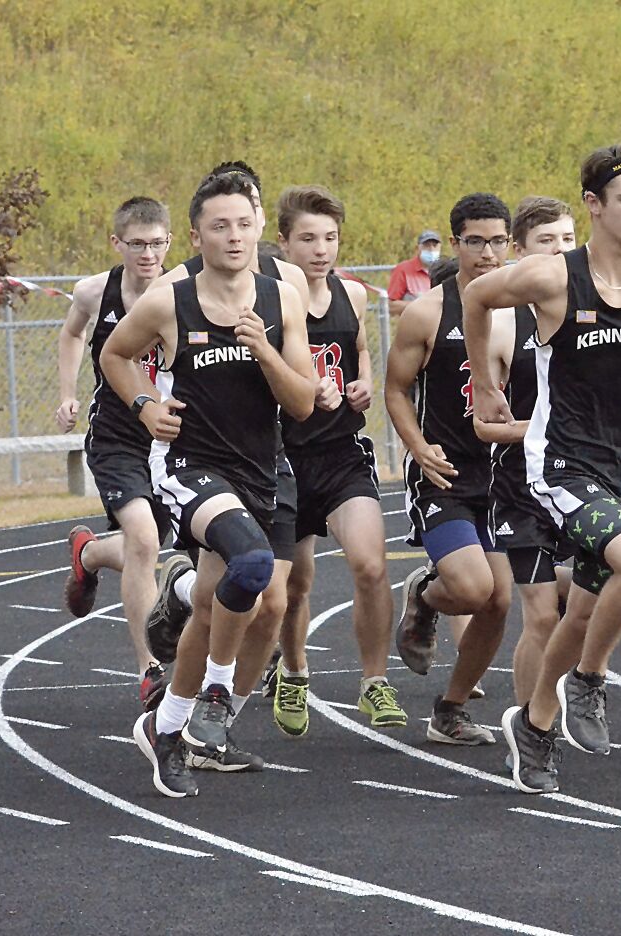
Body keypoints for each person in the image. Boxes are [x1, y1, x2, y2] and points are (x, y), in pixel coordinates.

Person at [466, 141, 621, 793]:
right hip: (563, 460)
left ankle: (537, 725)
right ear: (594, 206)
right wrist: (485, 389)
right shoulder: (553, 276)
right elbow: (479, 295)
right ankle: (590, 680)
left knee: (584, 609)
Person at [103, 169, 317, 798]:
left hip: (261, 468)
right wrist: (145, 405)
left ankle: (169, 728)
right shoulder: (171, 301)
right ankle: (218, 689)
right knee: (250, 566)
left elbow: (302, 403)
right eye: (219, 226)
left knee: (245, 603)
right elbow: (115, 355)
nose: (234, 236)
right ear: (195, 236)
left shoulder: (283, 301)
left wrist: (265, 350)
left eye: (244, 225)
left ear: (258, 232)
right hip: (190, 465)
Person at [268, 184, 404, 736]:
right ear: (282, 242)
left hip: (343, 452)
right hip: (284, 456)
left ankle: (375, 683)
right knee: (294, 585)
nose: (321, 249)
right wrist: (303, 390)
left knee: (371, 565)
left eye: (329, 238)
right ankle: (295, 672)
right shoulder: (269, 298)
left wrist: (364, 383)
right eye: (307, 239)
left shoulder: (353, 295)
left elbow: (361, 348)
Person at [386, 192, 518, 747]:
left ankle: (451, 708)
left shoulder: (525, 306)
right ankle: (425, 594)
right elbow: (395, 390)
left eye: (496, 242)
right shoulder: (428, 312)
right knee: (470, 588)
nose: (486, 253)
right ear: (455, 242)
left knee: (500, 600)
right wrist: (417, 448)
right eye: (474, 241)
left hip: (506, 473)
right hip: (446, 472)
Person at [56, 196, 174, 710]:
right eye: (136, 245)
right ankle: (150, 669)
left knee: (150, 551)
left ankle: (89, 553)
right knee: (146, 544)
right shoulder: (94, 291)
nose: (147, 254)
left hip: (174, 437)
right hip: (116, 437)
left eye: (156, 244)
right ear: (117, 244)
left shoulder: (186, 291)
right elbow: (72, 333)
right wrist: (67, 393)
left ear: (170, 241)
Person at [474, 195, 575, 707]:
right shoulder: (504, 324)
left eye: (567, 240)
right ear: (519, 250)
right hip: (521, 485)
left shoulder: (590, 304)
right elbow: (486, 429)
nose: (559, 252)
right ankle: (531, 726)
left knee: (579, 607)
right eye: (546, 242)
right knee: (539, 615)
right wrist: (545, 427)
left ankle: (560, 699)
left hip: (581, 478)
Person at [387, 230, 441, 316]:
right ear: (417, 248)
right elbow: (391, 306)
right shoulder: (403, 270)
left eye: (435, 246)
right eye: (426, 246)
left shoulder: (444, 271)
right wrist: (421, 304)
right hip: (413, 325)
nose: (431, 250)